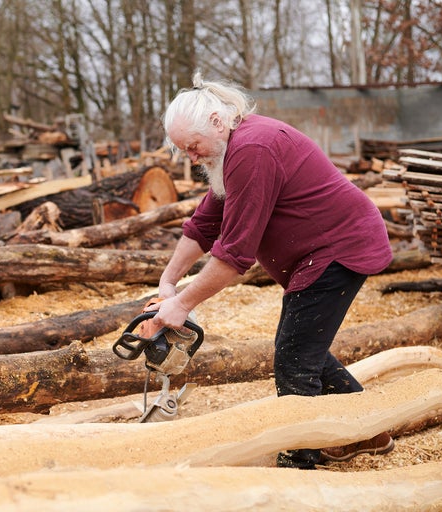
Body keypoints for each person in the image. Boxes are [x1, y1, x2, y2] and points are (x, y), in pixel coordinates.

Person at [145, 72, 395, 469]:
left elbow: (233, 256)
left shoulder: (253, 149)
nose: (193, 158)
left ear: (216, 121)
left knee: (295, 359)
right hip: (316, 254)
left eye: (193, 147)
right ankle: (369, 432)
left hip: (338, 247)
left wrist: (184, 303)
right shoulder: (230, 150)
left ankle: (300, 460)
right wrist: (168, 282)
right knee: (301, 348)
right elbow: (205, 224)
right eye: (185, 151)